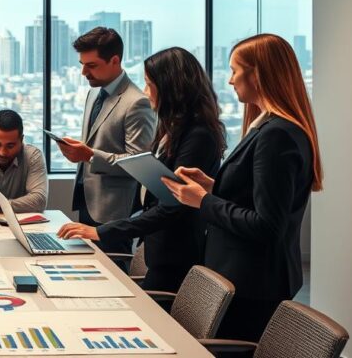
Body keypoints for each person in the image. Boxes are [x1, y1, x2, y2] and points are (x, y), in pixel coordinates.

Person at [162, 33, 321, 342]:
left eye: (235, 70)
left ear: (258, 74)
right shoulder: (268, 128)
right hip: (243, 277)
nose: (231, 80)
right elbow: (253, 196)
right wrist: (213, 185)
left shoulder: (277, 135)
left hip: (252, 283)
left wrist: (204, 201)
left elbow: (266, 225)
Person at [58, 47, 225, 291]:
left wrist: (102, 231)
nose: (146, 93)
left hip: (177, 256)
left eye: (149, 84)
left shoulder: (198, 136)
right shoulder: (172, 129)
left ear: (170, 86)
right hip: (159, 252)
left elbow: (172, 207)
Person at [55, 27, 156, 255]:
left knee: (114, 272)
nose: (83, 72)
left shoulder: (136, 102)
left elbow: (138, 164)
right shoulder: (94, 92)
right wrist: (78, 152)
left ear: (115, 60)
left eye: (91, 65)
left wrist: (89, 155)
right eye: (82, 64)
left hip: (113, 209)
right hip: (87, 199)